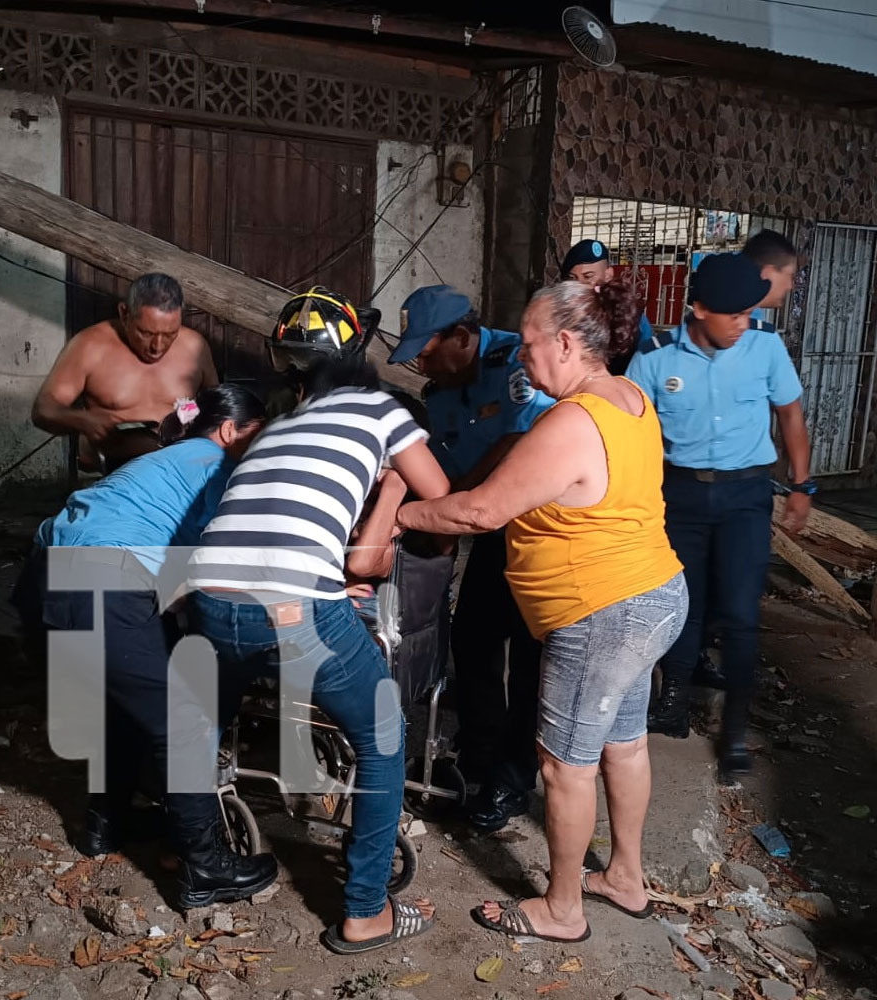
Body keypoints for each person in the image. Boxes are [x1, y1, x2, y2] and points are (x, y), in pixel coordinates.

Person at [396, 277, 686, 944]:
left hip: (603, 613)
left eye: (528, 344)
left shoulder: (571, 421)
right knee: (624, 743)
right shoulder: (629, 397)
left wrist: (398, 515)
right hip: (652, 595)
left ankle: (562, 908)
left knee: (564, 766)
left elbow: (480, 510)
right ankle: (625, 879)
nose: (520, 357)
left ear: (564, 342)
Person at [188, 287, 450, 954]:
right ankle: (366, 912)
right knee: (384, 736)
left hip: (209, 594)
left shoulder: (278, 424)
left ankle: (202, 861)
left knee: (205, 725)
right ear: (361, 348)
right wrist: (392, 482)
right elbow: (440, 494)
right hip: (295, 605)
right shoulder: (382, 408)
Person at [22, 384, 275, 907]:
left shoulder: (161, 461)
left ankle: (104, 824)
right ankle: (206, 868)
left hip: (44, 579)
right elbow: (221, 562)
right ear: (230, 431)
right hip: (104, 583)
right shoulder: (218, 464)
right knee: (180, 719)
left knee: (128, 702)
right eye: (257, 434)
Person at [626, 253, 812, 785]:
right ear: (699, 309)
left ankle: (733, 735)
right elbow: (635, 435)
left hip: (745, 496)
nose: (742, 324)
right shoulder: (655, 359)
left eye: (748, 313)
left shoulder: (765, 347)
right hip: (679, 496)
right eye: (731, 315)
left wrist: (801, 486)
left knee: (738, 612)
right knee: (680, 603)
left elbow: (791, 414)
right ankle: (674, 707)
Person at [387, 284, 553, 831]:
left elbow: (516, 445)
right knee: (475, 638)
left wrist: (450, 505)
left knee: (530, 659)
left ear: (463, 335)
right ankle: (476, 754)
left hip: (540, 533)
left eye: (429, 350)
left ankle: (511, 780)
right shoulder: (441, 388)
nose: (421, 361)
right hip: (485, 532)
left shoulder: (515, 365)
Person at [32, 273, 218, 473]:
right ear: (124, 313)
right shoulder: (89, 346)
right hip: (119, 468)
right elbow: (43, 410)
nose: (157, 347)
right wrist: (82, 421)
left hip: (185, 462)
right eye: (146, 333)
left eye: (170, 334)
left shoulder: (194, 346)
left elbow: (218, 405)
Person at [560, 239, 655, 367]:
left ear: (608, 275)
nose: (580, 285)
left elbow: (646, 364)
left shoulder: (632, 319)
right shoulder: (561, 314)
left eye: (588, 277)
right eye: (572, 278)